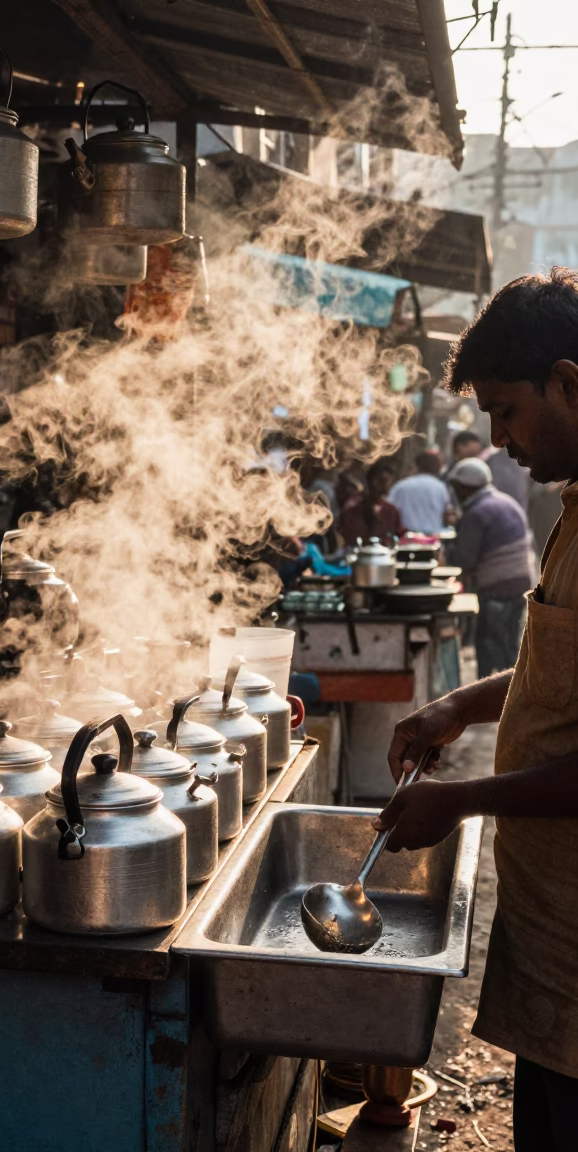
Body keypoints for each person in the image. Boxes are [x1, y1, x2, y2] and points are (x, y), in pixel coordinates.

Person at [376, 268, 578, 1151]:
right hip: (553, 952)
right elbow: (555, 671)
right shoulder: (572, 507)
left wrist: (457, 802)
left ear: (568, 383)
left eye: (506, 411)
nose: (498, 440)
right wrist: (457, 706)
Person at [447, 457, 535, 677]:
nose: (455, 493)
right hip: (520, 584)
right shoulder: (505, 501)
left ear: (466, 488)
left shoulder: (477, 512)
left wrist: (445, 552)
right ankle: (509, 691)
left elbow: (463, 560)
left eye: (456, 488)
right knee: (508, 648)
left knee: (489, 649)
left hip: (498, 588)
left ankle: (491, 694)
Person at [337, 459, 405, 544]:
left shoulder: (391, 510)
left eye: (388, 481)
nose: (385, 484)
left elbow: (399, 534)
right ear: (370, 481)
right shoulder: (353, 507)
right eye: (381, 480)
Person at [387, 449, 453, 535]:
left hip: (406, 536)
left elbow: (388, 509)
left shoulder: (401, 486)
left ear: (416, 466)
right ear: (437, 468)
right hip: (432, 536)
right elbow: (446, 514)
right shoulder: (440, 487)